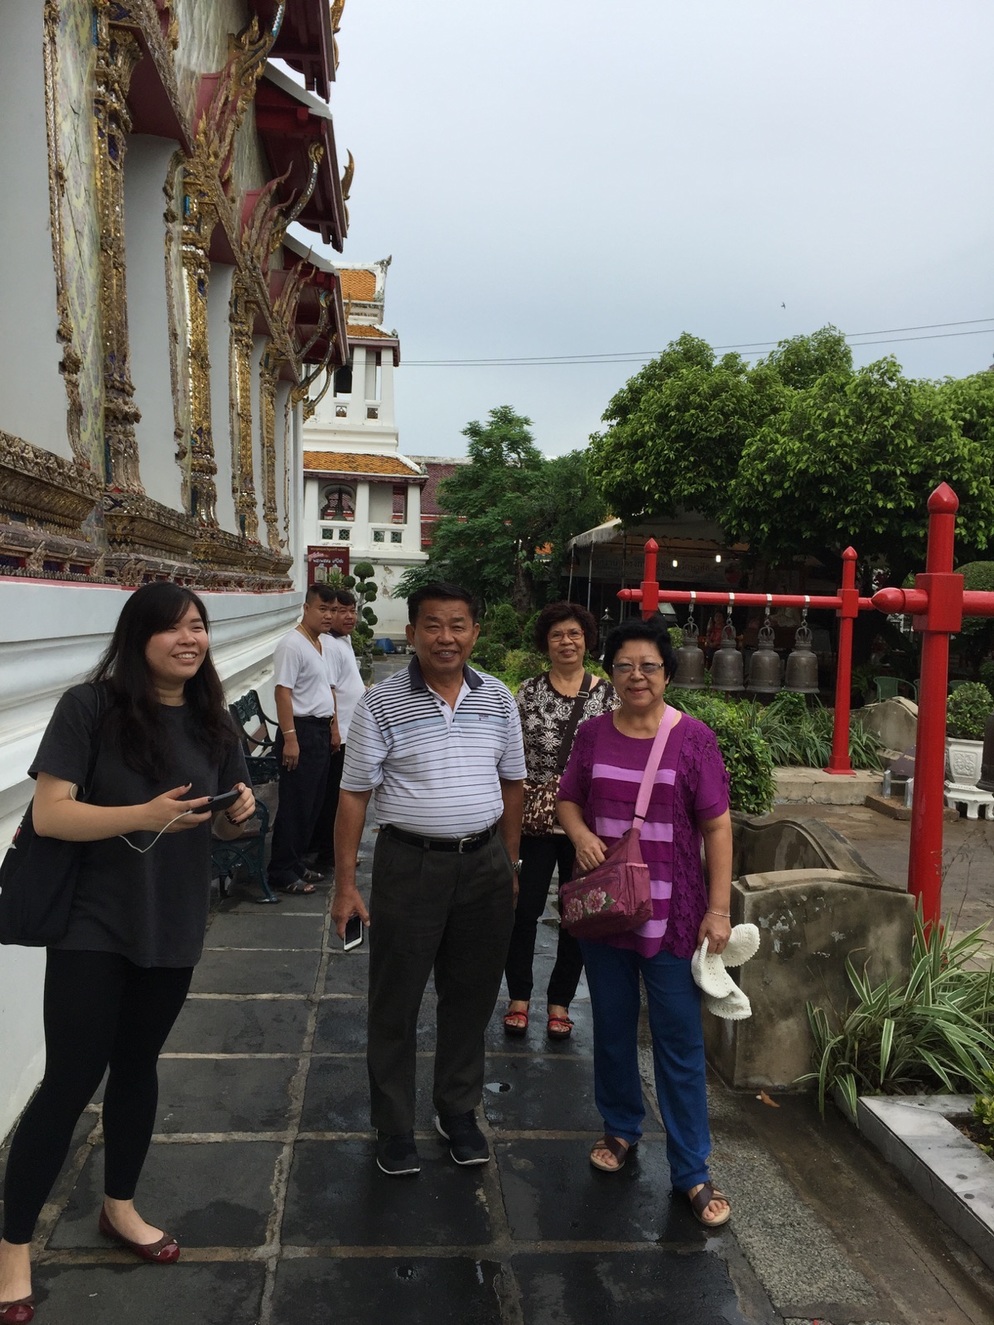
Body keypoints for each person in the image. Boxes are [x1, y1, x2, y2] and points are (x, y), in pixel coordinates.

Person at [0, 583, 255, 1323]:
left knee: (138, 1067)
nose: (191, 638)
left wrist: (241, 813)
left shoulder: (212, 718)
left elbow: (231, 825)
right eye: (174, 627)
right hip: (93, 922)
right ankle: (13, 1244)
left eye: (200, 626)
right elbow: (50, 812)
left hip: (173, 919)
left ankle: (119, 1206)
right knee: (69, 1080)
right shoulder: (92, 707)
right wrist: (142, 815)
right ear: (138, 634)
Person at [331, 581, 525, 1177]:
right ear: (412, 632)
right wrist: (345, 883)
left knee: (471, 995)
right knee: (397, 997)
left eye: (459, 624)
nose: (447, 637)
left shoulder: (497, 698)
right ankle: (393, 1124)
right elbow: (354, 794)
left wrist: (510, 864)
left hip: (485, 864)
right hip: (409, 865)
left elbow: (514, 783)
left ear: (475, 631)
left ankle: (458, 1110)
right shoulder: (381, 702)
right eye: (433, 626)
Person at [557, 618, 733, 1228]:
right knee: (609, 1026)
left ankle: (692, 1169)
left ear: (667, 673)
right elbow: (568, 798)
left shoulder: (694, 740)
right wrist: (579, 835)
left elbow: (716, 827)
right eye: (626, 665)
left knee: (679, 1042)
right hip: (607, 913)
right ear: (611, 671)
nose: (637, 676)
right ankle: (621, 1128)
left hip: (672, 915)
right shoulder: (591, 735)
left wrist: (717, 909)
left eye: (649, 666)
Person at [503, 603, 616, 1042]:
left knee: (576, 916)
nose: (566, 642)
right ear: (545, 643)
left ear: (587, 639)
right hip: (533, 820)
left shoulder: (608, 695)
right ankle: (519, 997)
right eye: (557, 635)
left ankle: (560, 1003)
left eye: (574, 634)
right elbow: (510, 754)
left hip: (586, 823)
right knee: (524, 910)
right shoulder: (528, 692)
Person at [266, 584, 342, 895]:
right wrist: (290, 739)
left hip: (320, 731)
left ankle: (296, 862)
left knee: (313, 803)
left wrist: (334, 728)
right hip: (300, 731)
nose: (329, 615)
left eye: (333, 610)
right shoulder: (292, 645)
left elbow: (328, 689)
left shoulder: (320, 644)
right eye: (323, 609)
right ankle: (281, 869)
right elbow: (282, 691)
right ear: (306, 608)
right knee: (296, 804)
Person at [306, 590, 365, 877]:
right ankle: (329, 854)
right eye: (341, 610)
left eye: (352, 610)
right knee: (335, 798)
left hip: (349, 731)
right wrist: (335, 730)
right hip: (338, 734)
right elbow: (329, 689)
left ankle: (328, 850)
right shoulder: (328, 645)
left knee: (336, 795)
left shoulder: (343, 641)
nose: (349, 616)